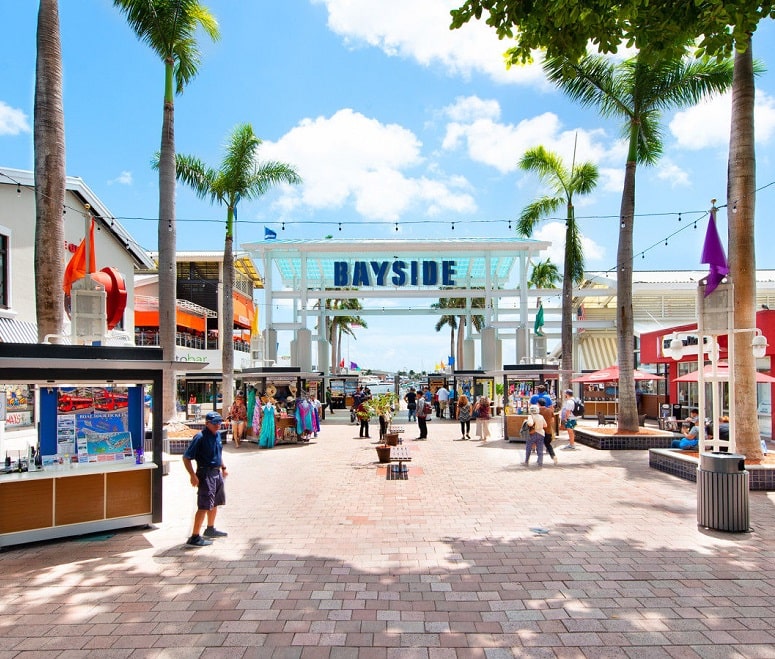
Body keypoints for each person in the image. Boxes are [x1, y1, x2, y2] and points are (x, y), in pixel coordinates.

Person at [182, 411, 228, 547]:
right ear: (207, 423)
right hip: (205, 472)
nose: (218, 425)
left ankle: (210, 528)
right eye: (214, 423)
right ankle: (194, 536)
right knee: (204, 505)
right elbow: (186, 457)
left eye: (219, 422)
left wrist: (223, 467)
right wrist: (192, 475)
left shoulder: (218, 435)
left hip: (216, 472)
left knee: (214, 503)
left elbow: (218, 453)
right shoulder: (200, 437)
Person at [537, 397, 558, 465]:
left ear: (538, 404)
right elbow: (552, 420)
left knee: (539, 445)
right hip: (548, 431)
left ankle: (539, 459)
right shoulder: (550, 411)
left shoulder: (537, 411)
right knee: (548, 445)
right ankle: (553, 456)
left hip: (539, 430)